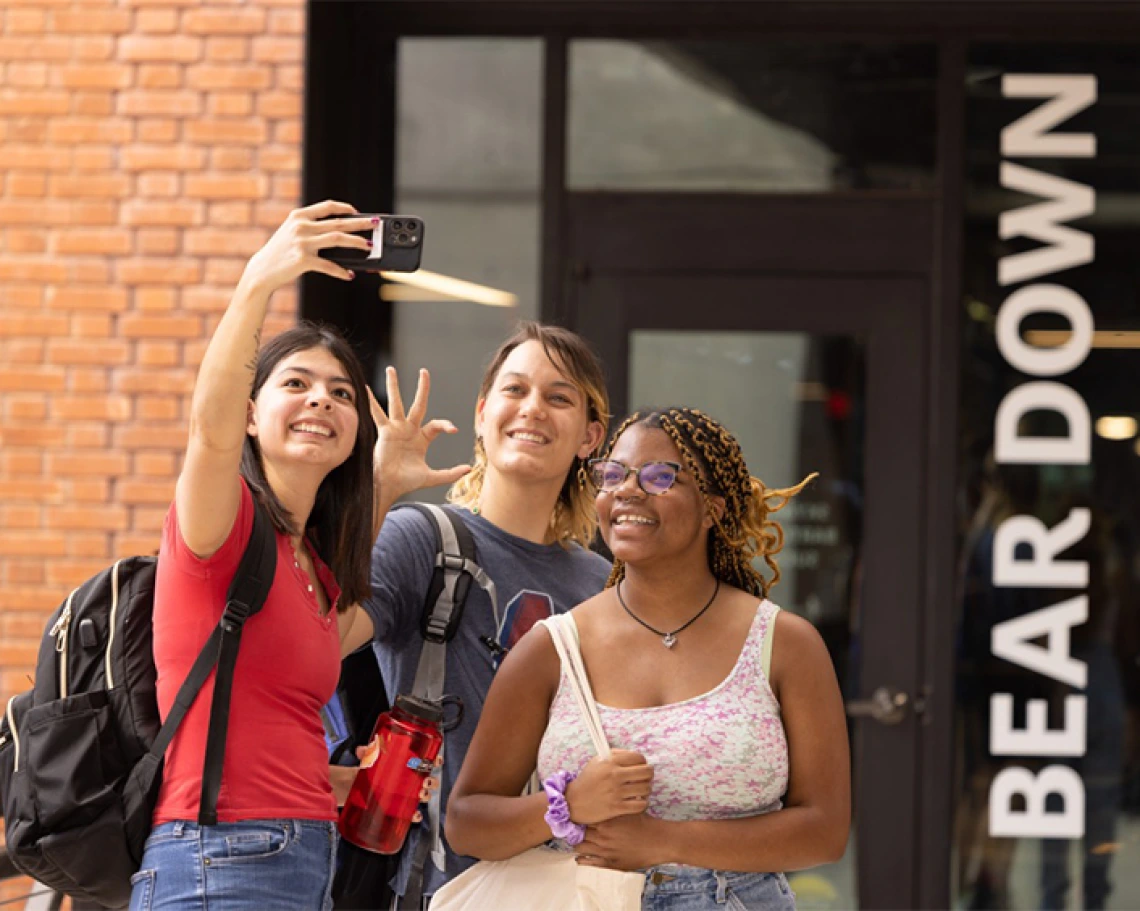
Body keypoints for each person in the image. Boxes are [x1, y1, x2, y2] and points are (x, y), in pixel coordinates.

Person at [446, 407, 851, 910]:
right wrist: (566, 805)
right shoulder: (552, 650)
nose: (627, 490)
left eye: (660, 477)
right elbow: (466, 822)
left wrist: (663, 840)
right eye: (612, 474)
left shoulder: (785, 644)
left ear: (714, 508)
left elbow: (825, 830)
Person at [132, 201, 398, 911]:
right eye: (296, 384)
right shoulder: (224, 526)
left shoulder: (312, 563)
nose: (322, 400)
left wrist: (327, 781)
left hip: (299, 855)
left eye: (341, 393)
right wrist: (258, 281)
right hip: (219, 855)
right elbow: (209, 430)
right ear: (252, 413)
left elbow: (273, 709)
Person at [335, 322, 613, 907]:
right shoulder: (423, 537)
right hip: (440, 885)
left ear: (590, 436)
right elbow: (318, 645)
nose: (533, 409)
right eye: (515, 391)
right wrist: (380, 488)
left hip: (569, 887)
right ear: (484, 413)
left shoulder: (603, 584)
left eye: (559, 397)